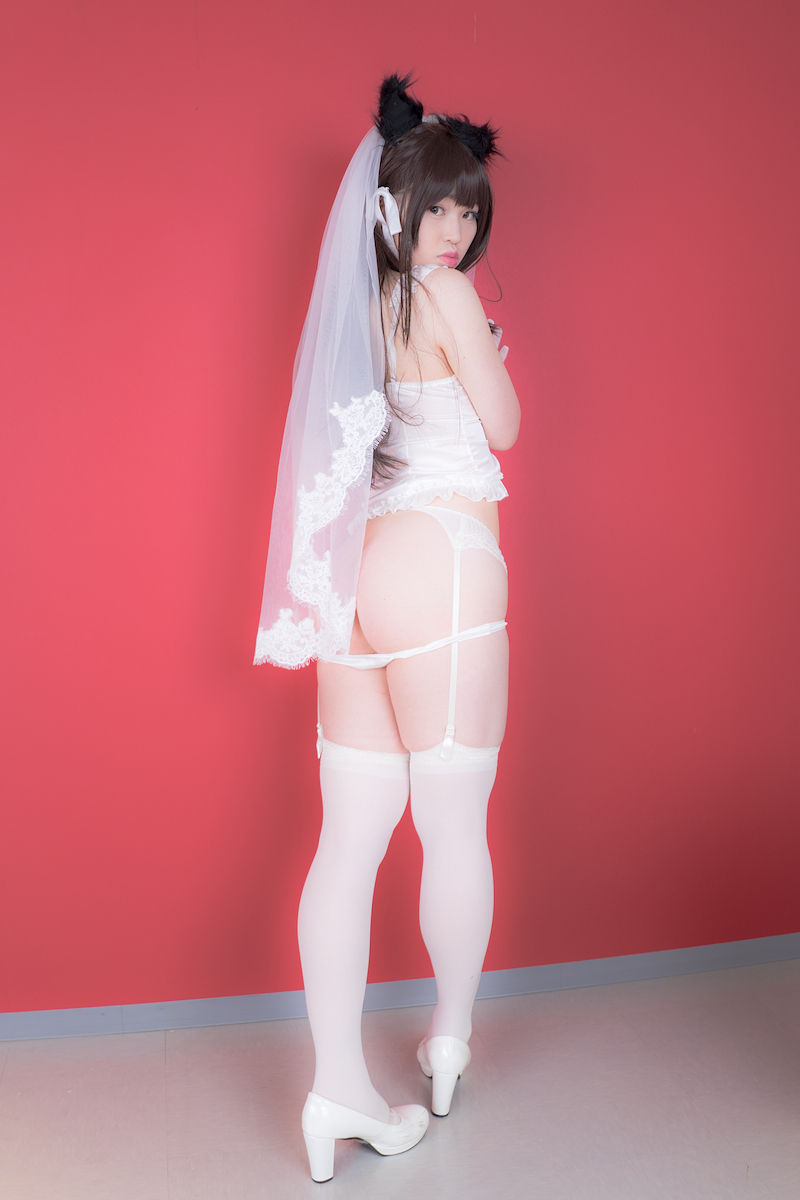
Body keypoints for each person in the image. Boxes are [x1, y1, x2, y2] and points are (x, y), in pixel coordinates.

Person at [254, 74, 520, 1183]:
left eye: (467, 210)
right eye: (437, 206)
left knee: (347, 839)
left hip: (357, 573)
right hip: (443, 565)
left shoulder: (355, 307)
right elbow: (502, 425)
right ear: (392, 206)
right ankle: (447, 1043)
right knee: (452, 825)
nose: (453, 229)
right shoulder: (445, 294)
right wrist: (488, 346)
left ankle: (336, 1089)